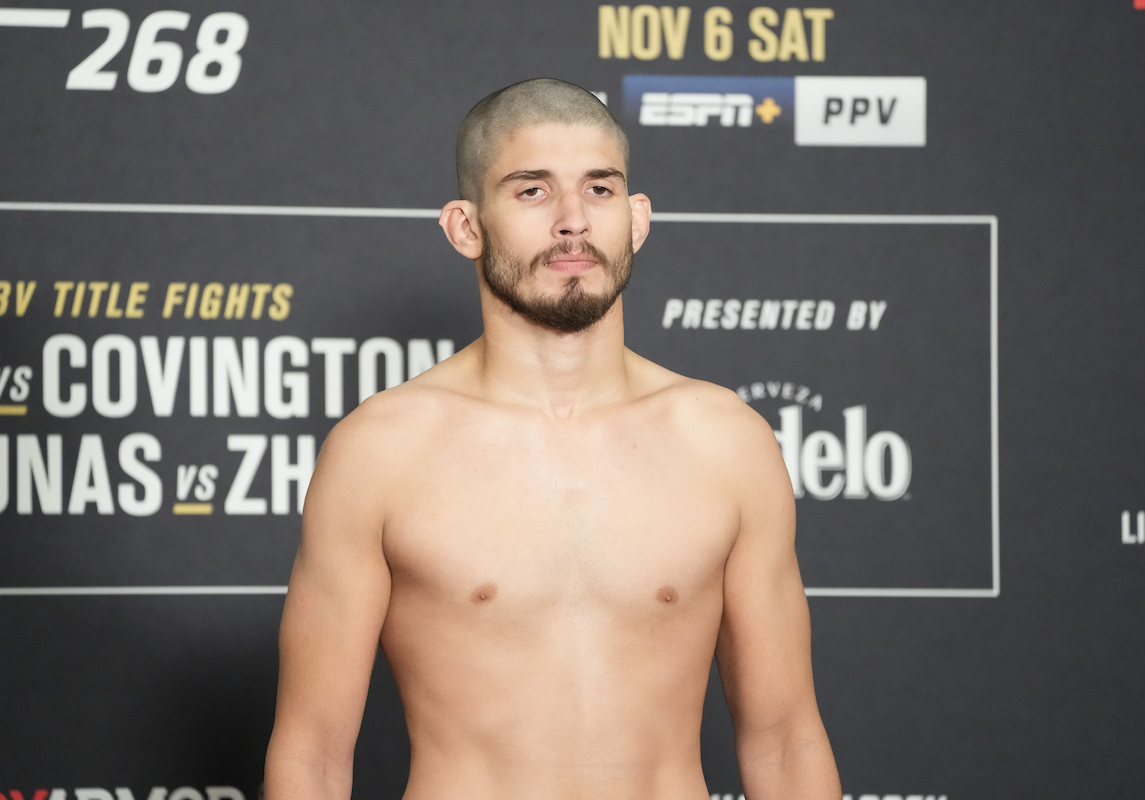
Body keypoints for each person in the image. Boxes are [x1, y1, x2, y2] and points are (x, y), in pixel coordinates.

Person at [263, 77, 840, 800]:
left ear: (637, 218)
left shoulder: (726, 441)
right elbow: (313, 753)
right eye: (532, 191)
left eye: (599, 189)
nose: (574, 220)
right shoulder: (381, 449)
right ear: (466, 227)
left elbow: (785, 740)